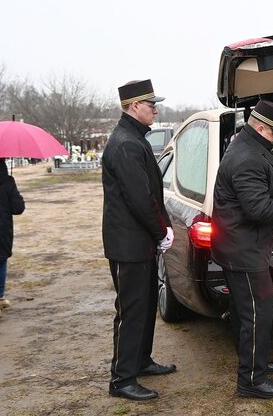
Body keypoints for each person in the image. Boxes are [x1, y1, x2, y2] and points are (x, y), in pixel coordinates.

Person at [212, 99, 273, 399]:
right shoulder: (248, 158)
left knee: (245, 312)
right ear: (262, 128)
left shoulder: (245, 146)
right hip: (244, 250)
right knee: (258, 313)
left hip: (240, 245)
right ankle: (251, 380)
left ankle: (257, 361)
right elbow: (258, 209)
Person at [102, 79, 176, 401]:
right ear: (135, 106)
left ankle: (141, 361)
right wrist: (162, 231)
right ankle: (122, 380)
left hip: (139, 242)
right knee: (131, 311)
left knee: (145, 307)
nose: (155, 110)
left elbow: (151, 193)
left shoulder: (134, 138)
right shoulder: (125, 143)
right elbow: (140, 198)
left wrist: (162, 228)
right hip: (128, 245)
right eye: (151, 104)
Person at [0, 158, 25, 321]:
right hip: (3, 230)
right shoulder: (8, 181)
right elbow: (18, 208)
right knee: (1, 261)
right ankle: (0, 297)